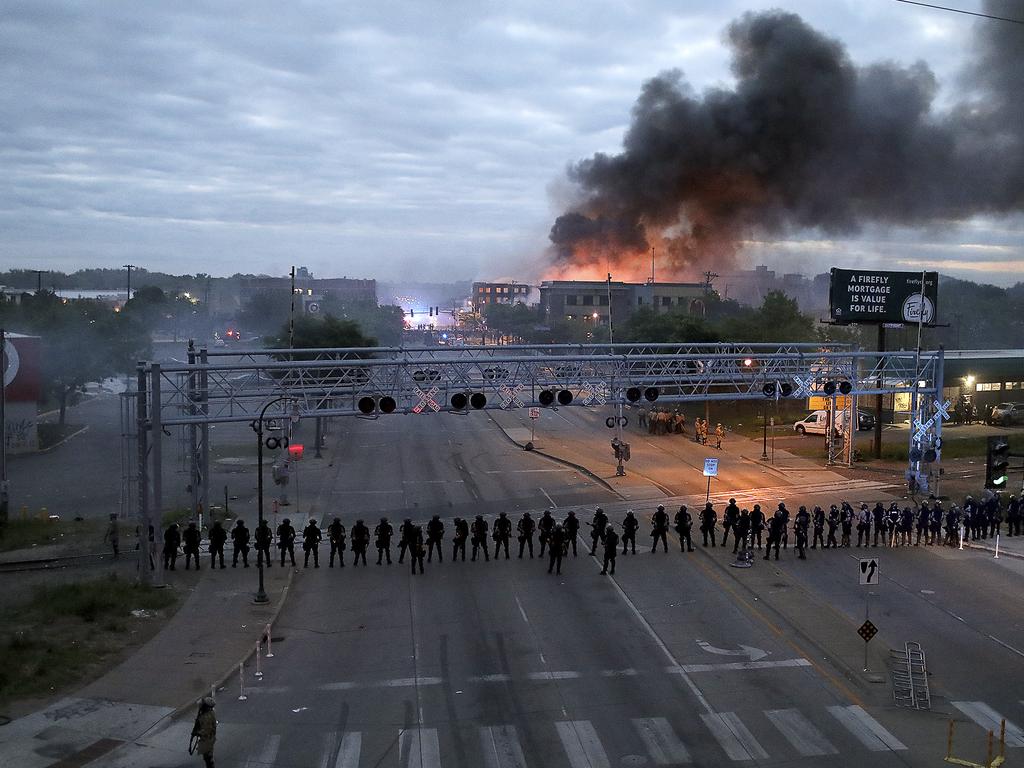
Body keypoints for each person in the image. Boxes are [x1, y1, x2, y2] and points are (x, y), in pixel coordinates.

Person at [190, 696, 217, 768]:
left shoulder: (207, 717)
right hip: (208, 739)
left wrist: (197, 733)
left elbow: (206, 730)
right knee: (208, 757)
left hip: (207, 740)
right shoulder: (207, 712)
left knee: (208, 758)